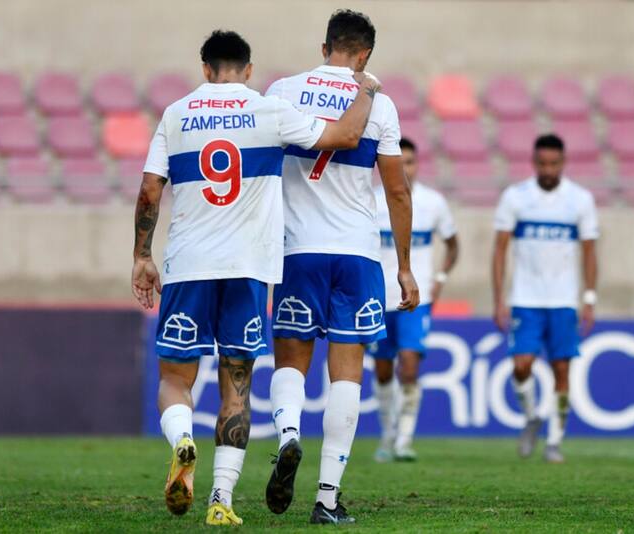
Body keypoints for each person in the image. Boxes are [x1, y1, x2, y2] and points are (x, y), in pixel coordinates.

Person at [131, 30, 382, 526]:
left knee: (175, 380)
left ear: (204, 69)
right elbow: (343, 137)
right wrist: (367, 90)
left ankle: (182, 438)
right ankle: (221, 501)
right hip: (249, 268)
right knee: (237, 388)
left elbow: (149, 191)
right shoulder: (266, 109)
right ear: (248, 70)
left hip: (188, 265)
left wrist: (142, 255)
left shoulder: (176, 114)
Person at [264, 10, 420, 525]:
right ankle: (327, 498)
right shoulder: (380, 103)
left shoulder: (283, 90)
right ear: (365, 54)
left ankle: (288, 437)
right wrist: (404, 266)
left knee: (290, 361)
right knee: (346, 373)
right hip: (355, 252)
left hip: (295, 250)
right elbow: (396, 190)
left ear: (324, 45)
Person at [492, 133, 599, 464]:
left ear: (562, 163)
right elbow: (499, 250)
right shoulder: (516, 197)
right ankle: (530, 417)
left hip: (564, 300)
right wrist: (499, 298)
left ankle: (554, 440)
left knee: (561, 369)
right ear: (534, 162)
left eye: (553, 163)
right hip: (525, 298)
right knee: (521, 365)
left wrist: (589, 298)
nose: (548, 169)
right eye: (542, 163)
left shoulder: (580, 200)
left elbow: (590, 252)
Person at [371, 137, 459, 463]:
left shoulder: (434, 203)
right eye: (399, 162)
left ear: (417, 164)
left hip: (416, 301)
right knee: (382, 372)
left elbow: (453, 245)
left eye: (410, 161)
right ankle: (387, 435)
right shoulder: (371, 200)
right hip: (379, 300)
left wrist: (439, 279)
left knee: (409, 368)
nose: (405, 168)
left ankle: (404, 440)